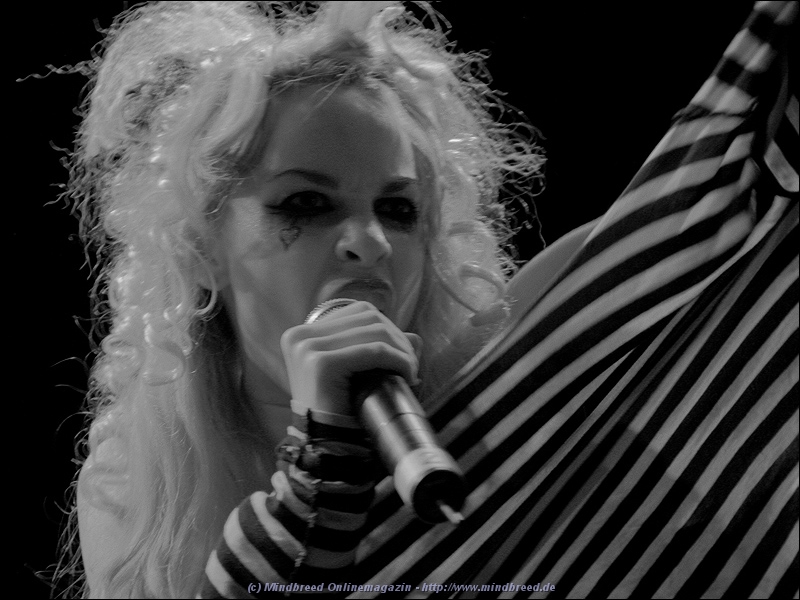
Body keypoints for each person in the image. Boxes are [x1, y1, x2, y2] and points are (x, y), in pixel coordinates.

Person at [64, 2, 544, 597]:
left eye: (398, 209)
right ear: (201, 248)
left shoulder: (512, 414)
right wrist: (324, 464)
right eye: (307, 203)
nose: (370, 242)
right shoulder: (134, 481)